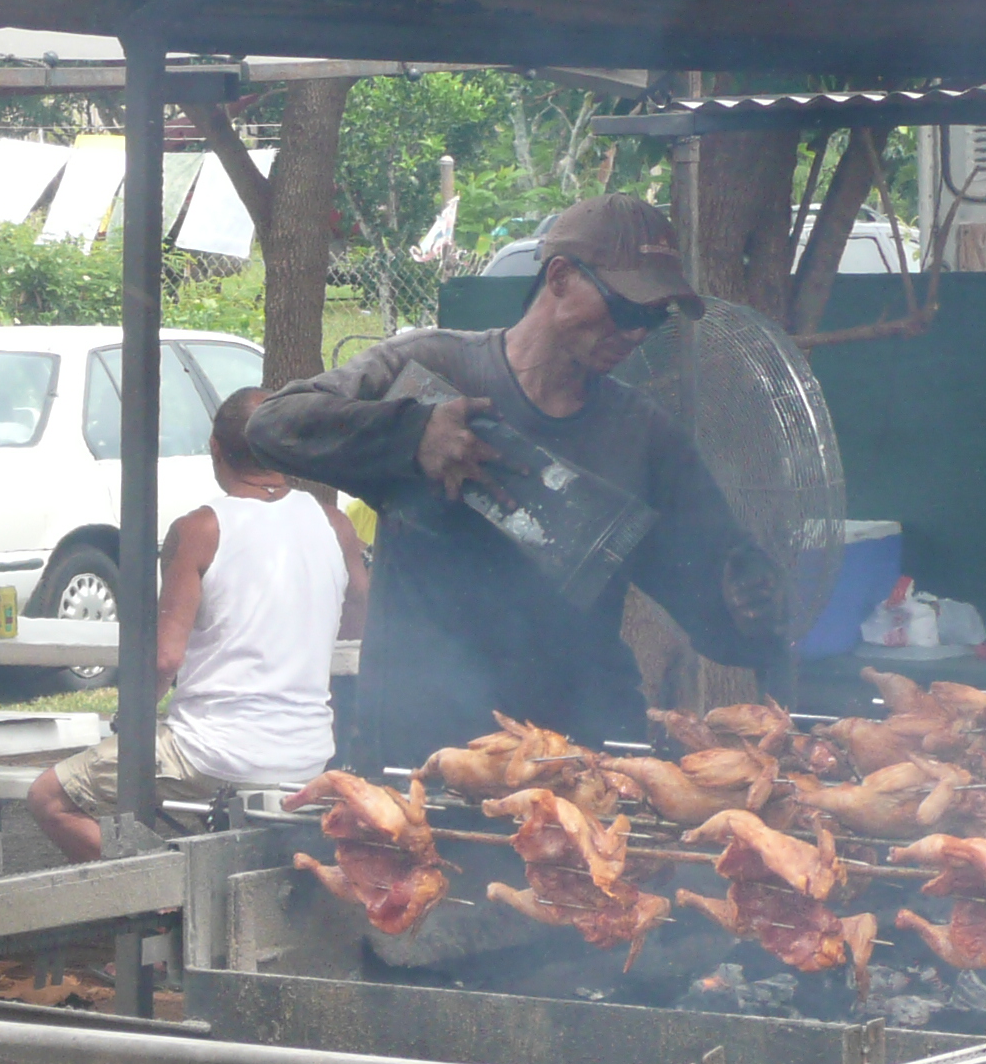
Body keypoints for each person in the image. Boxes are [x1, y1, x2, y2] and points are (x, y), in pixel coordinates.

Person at [246, 193, 785, 765]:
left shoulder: (646, 438)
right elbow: (273, 426)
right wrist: (411, 436)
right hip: (421, 755)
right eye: (626, 308)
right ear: (560, 277)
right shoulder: (431, 368)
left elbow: (722, 615)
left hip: (577, 760)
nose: (635, 333)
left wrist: (751, 609)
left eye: (653, 318)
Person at [28, 387, 368, 859]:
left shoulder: (200, 529)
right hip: (308, 753)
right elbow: (358, 617)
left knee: (48, 798)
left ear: (215, 448)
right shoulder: (335, 525)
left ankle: (160, 885)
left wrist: (131, 719)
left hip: (210, 752)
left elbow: (166, 657)